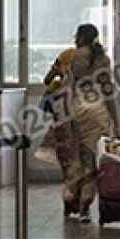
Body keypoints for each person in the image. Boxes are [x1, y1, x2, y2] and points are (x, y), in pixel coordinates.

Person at [62, 24, 119, 224]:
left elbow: (68, 90)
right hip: (99, 112)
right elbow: (109, 92)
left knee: (80, 157)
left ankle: (71, 199)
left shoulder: (74, 57)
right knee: (96, 160)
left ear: (79, 37)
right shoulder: (103, 59)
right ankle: (86, 203)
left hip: (79, 110)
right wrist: (116, 121)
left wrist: (68, 116)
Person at [40, 45, 78, 216]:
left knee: (68, 166)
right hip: (73, 128)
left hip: (64, 129)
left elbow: (45, 104)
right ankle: (76, 203)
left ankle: (70, 203)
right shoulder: (76, 78)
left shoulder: (60, 82)